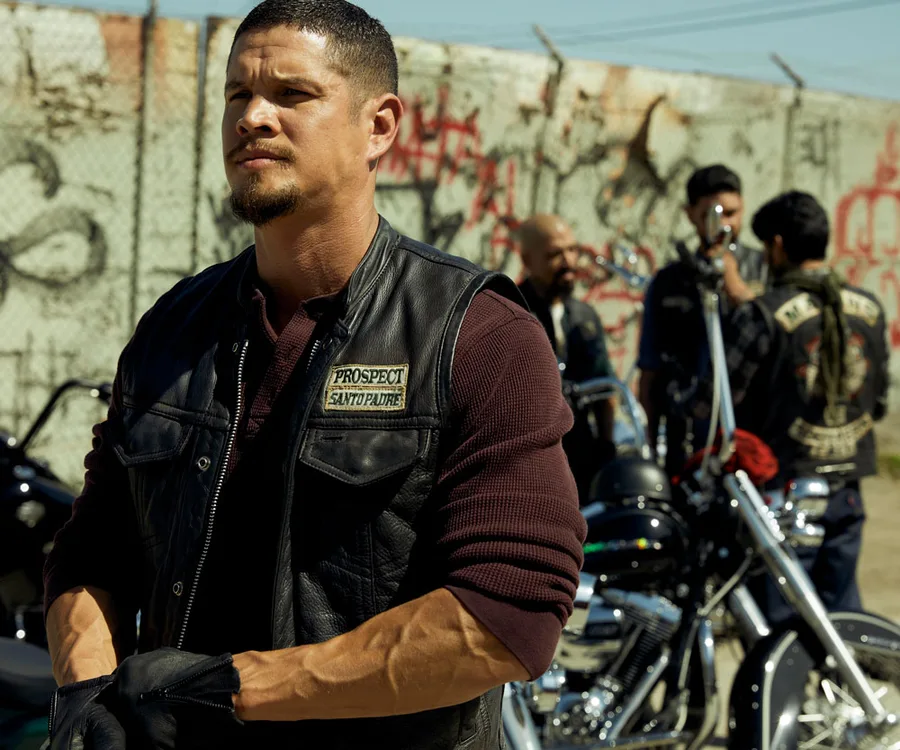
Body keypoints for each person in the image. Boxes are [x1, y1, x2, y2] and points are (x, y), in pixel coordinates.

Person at [42, 2, 587, 748]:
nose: (252, 117)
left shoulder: (478, 333)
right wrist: (87, 693)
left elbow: (506, 613)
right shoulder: (173, 328)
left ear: (379, 126)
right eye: (237, 94)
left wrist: (233, 690)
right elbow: (91, 552)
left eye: (292, 94)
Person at [697, 190, 889, 623]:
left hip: (780, 491)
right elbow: (877, 404)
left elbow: (715, 402)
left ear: (778, 246)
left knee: (779, 624)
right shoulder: (872, 308)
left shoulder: (763, 314)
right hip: (846, 486)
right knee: (841, 619)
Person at [637, 164, 768, 477]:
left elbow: (772, 333)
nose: (723, 225)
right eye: (711, 214)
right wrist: (650, 444)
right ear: (690, 215)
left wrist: (734, 284)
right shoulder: (669, 281)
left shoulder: (764, 269)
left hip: (749, 432)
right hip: (687, 433)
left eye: (731, 213)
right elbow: (650, 369)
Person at [517, 214, 617, 504]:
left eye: (572, 250)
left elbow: (605, 387)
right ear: (527, 260)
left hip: (581, 454)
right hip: (532, 459)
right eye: (555, 254)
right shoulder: (512, 310)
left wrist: (606, 445)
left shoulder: (584, 316)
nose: (568, 261)